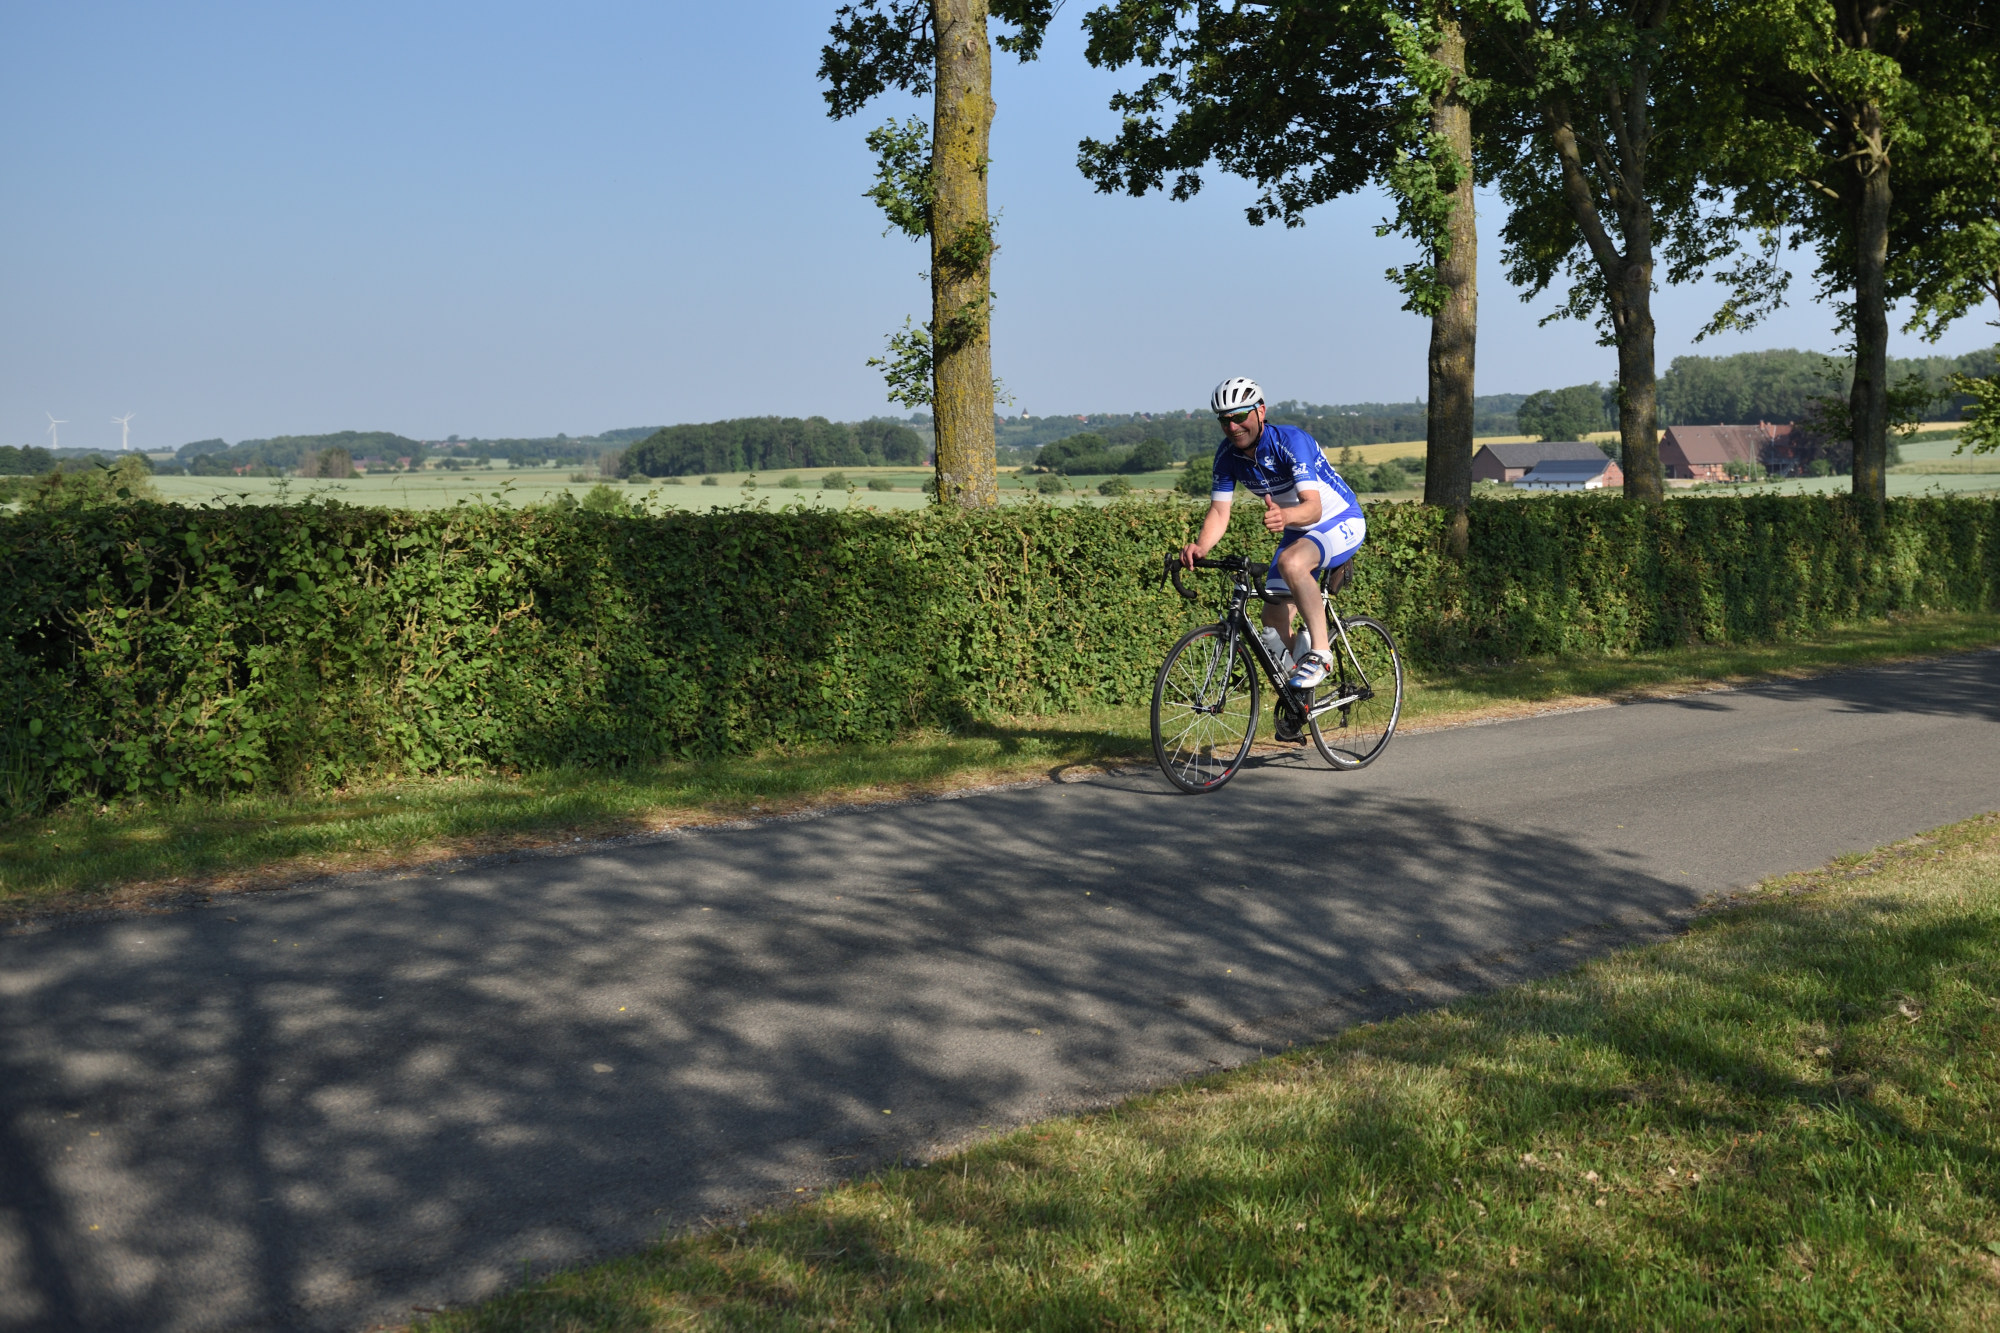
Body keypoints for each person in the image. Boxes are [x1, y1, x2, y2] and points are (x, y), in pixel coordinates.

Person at [1179, 376, 1366, 741]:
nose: (1233, 426)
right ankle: (1299, 699)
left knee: (1293, 563)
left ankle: (1322, 653)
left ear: (1260, 411)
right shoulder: (1227, 455)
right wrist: (1201, 547)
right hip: (1297, 529)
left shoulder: (1290, 442)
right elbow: (1219, 511)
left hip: (1339, 519)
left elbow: (1312, 508)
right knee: (1272, 616)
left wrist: (1285, 516)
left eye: (1240, 416)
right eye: (1224, 420)